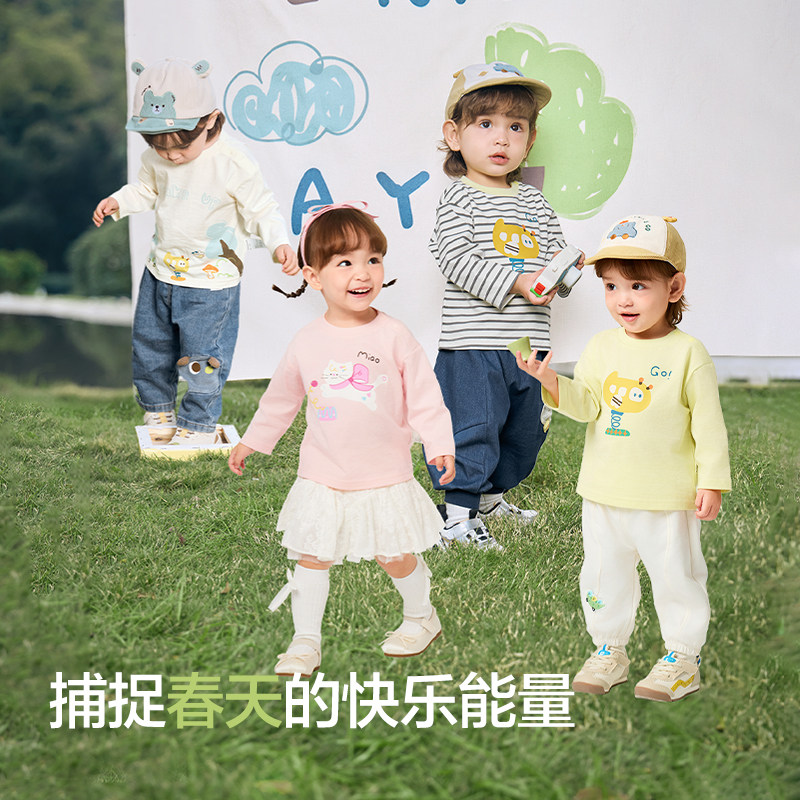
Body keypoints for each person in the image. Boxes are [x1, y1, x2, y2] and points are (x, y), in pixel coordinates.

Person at [228, 204, 455, 677]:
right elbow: (280, 400)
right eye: (345, 262)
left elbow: (425, 397)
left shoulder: (395, 336)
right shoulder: (306, 341)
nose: (363, 273)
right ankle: (305, 641)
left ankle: (421, 616)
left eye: (373, 259)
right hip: (323, 472)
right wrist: (252, 440)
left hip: (384, 472)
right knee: (313, 555)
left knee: (394, 554)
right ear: (313, 276)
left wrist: (438, 444)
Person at [516, 215, 731, 702]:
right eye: (611, 286)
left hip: (666, 497)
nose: (623, 300)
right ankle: (608, 649)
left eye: (638, 285)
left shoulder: (688, 354)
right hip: (603, 492)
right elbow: (589, 405)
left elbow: (709, 425)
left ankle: (682, 658)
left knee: (675, 576)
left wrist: (711, 480)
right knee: (602, 574)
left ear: (674, 288)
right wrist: (551, 382)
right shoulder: (600, 346)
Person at [93, 58, 297, 445]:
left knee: (203, 358)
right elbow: (146, 190)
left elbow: (261, 208)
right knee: (150, 346)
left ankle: (198, 424)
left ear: (210, 121)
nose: (171, 155)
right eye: (158, 145)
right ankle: (159, 409)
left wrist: (279, 242)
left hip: (210, 284)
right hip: (160, 273)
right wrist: (119, 201)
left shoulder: (232, 162)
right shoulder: (156, 157)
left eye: (182, 146)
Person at [427, 61, 582, 550]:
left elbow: (554, 258)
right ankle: (457, 516)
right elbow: (454, 258)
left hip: (527, 347)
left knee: (522, 431)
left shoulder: (535, 203)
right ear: (454, 135)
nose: (502, 138)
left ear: (530, 140)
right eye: (486, 124)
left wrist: (565, 272)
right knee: (474, 428)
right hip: (473, 347)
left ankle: (492, 499)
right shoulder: (459, 198)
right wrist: (517, 282)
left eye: (516, 127)